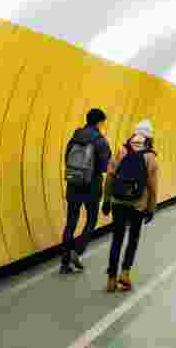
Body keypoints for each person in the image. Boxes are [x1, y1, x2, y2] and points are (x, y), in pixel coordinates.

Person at [102, 119, 159, 292]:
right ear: (149, 138)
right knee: (133, 239)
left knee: (116, 240)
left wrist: (106, 200)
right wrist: (151, 208)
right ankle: (125, 274)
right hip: (138, 205)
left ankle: (111, 279)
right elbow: (152, 187)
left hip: (118, 202)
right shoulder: (150, 157)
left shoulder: (121, 151)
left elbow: (110, 177)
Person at [59, 108, 112, 274]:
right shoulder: (100, 140)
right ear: (99, 122)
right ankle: (78, 250)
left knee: (70, 223)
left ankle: (65, 262)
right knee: (91, 220)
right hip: (92, 186)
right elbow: (105, 167)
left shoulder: (75, 136)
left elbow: (66, 158)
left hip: (74, 183)